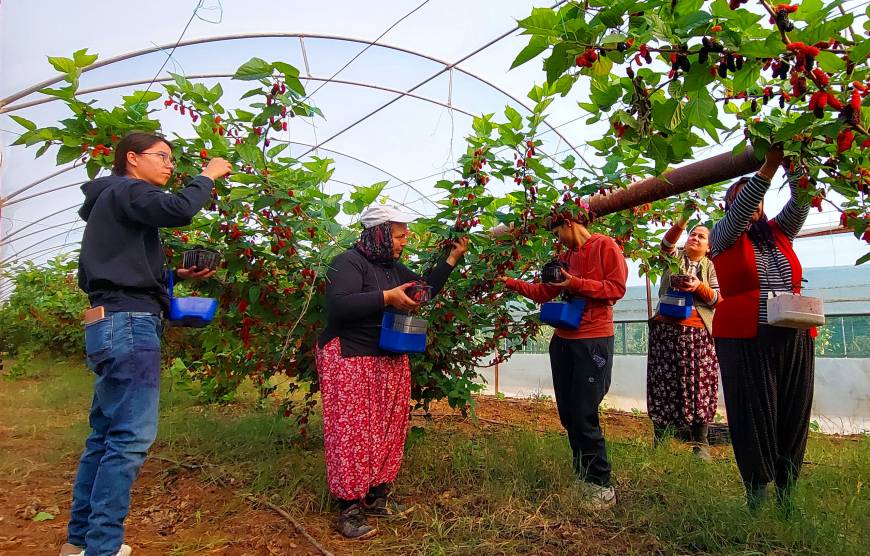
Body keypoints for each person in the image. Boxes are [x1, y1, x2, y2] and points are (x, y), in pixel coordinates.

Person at [61, 132, 231, 556]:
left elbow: (125, 268)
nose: (170, 165)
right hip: (129, 324)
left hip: (108, 322)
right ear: (132, 159)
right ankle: (102, 547)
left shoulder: (109, 202)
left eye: (173, 159)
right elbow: (179, 209)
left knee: (104, 437)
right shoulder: (126, 189)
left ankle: (80, 542)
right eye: (163, 157)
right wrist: (207, 175)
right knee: (130, 439)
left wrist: (174, 279)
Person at [316, 204, 469, 539]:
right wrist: (386, 297)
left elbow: (422, 290)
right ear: (381, 233)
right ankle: (349, 508)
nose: (404, 240)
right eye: (400, 235)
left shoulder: (392, 267)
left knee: (388, 426)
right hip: (350, 356)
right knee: (352, 430)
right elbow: (338, 305)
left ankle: (375, 496)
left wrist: (452, 258)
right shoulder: (347, 263)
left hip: (388, 354)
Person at [497, 214, 627, 509]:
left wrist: (576, 282)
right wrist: (512, 283)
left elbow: (616, 289)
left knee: (584, 411)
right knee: (568, 412)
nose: (558, 241)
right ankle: (583, 476)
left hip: (592, 340)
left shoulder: (605, 246)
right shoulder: (564, 257)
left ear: (569, 223)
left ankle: (601, 483)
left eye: (557, 233)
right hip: (564, 340)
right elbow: (546, 292)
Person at [709, 146, 812, 512]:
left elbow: (801, 203)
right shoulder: (723, 236)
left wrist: (796, 163)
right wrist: (767, 169)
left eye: (757, 199)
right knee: (754, 411)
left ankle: (787, 491)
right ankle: (757, 492)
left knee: (793, 410)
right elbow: (739, 213)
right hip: (747, 335)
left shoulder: (778, 233)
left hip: (794, 330)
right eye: (744, 198)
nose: (753, 204)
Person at [647, 205, 721, 460]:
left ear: (708, 246)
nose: (695, 237)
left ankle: (700, 442)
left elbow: (716, 300)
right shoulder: (673, 258)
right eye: (692, 234)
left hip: (697, 334)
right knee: (662, 384)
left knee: (699, 385)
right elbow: (665, 244)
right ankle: (661, 439)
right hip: (666, 332)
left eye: (701, 236)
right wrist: (683, 219)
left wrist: (698, 286)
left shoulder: (709, 267)